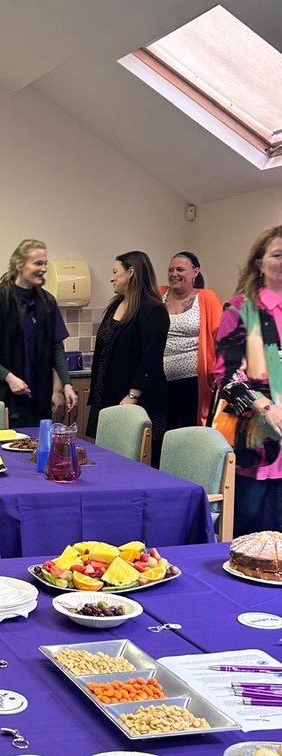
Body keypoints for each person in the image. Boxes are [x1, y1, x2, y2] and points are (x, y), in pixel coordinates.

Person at [214, 226, 282, 535]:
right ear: (259, 263)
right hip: (255, 438)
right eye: (278, 254)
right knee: (249, 527)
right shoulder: (241, 308)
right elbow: (224, 373)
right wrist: (265, 405)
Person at [0, 239, 77, 428]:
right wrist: (9, 377)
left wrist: (66, 385)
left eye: (45, 263)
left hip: (37, 399)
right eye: (37, 263)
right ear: (20, 264)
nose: (43, 268)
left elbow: (56, 348)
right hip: (1, 397)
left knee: (34, 450)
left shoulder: (48, 303)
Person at [87, 251, 170, 461]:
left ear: (131, 272)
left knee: (131, 459)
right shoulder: (116, 304)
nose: (111, 277)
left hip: (135, 399)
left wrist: (133, 395)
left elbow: (150, 357)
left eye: (115, 272)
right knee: (104, 456)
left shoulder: (153, 309)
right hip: (106, 393)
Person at [159, 251, 223, 428]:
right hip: (160, 382)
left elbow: (221, 338)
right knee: (162, 436)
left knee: (189, 433)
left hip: (194, 383)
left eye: (180, 269)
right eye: (170, 270)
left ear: (195, 272)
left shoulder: (207, 298)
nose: (174, 274)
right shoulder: (159, 295)